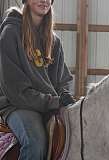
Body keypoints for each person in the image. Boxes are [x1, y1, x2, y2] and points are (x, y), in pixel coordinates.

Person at [0, 0, 75, 159]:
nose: (44, 1)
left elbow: (62, 81)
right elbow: (15, 90)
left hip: (48, 104)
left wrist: (65, 96)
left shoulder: (53, 41)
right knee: (35, 142)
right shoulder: (10, 33)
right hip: (16, 105)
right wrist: (53, 101)